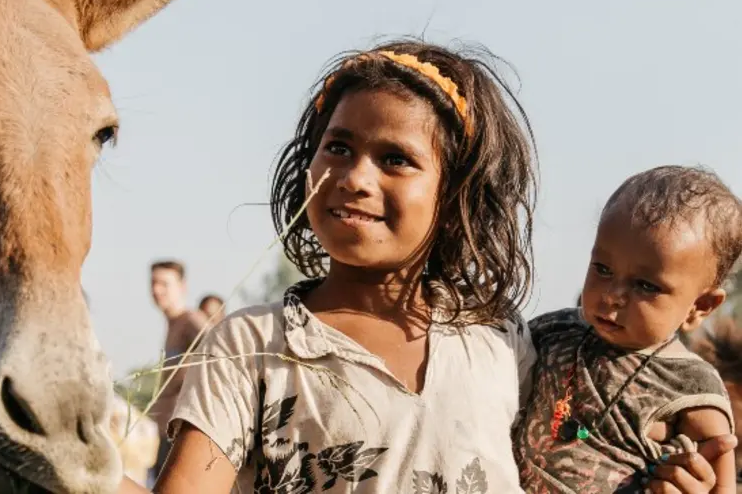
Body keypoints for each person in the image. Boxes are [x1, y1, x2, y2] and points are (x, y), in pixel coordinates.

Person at [132, 40, 732, 494]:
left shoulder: (503, 341)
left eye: (395, 159)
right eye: (338, 147)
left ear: (454, 199)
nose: (355, 177)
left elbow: (591, 451)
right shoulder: (251, 344)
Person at [515, 166, 741, 493]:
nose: (612, 295)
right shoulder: (553, 332)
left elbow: (721, 483)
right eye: (603, 269)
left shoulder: (690, 385)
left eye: (646, 285)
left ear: (700, 306)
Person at [146, 260, 208, 486]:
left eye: (164, 284)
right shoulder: (172, 324)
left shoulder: (190, 321)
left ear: (182, 287)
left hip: (181, 430)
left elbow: (220, 348)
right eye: (153, 283)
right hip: (165, 431)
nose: (157, 290)